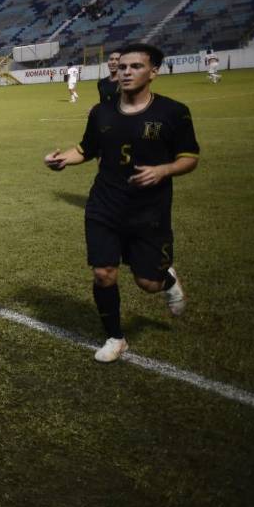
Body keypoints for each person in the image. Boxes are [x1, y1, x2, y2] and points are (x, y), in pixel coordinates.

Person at [44, 42, 199, 363]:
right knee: (103, 273)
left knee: (148, 283)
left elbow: (189, 158)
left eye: (135, 67)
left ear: (153, 71)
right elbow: (86, 149)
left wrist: (164, 169)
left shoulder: (173, 112)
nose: (125, 72)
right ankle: (115, 337)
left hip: (149, 211)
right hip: (104, 205)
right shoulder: (101, 111)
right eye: (122, 67)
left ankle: (167, 280)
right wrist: (62, 159)